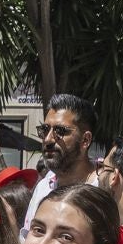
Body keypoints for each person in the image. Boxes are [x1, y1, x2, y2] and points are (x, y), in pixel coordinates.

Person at [25, 94, 101, 227]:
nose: (48, 139)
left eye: (60, 131)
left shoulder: (104, 187)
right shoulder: (43, 187)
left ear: (85, 140)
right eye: (45, 129)